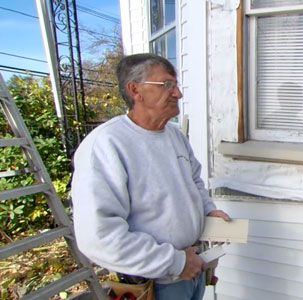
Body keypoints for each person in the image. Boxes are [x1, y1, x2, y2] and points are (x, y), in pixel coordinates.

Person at [71, 53, 231, 300]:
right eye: (167, 84)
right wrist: (175, 263)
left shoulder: (174, 136)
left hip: (192, 269)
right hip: (155, 284)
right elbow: (99, 237)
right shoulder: (106, 145)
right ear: (136, 90)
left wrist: (209, 210)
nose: (178, 93)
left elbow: (195, 181)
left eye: (176, 85)